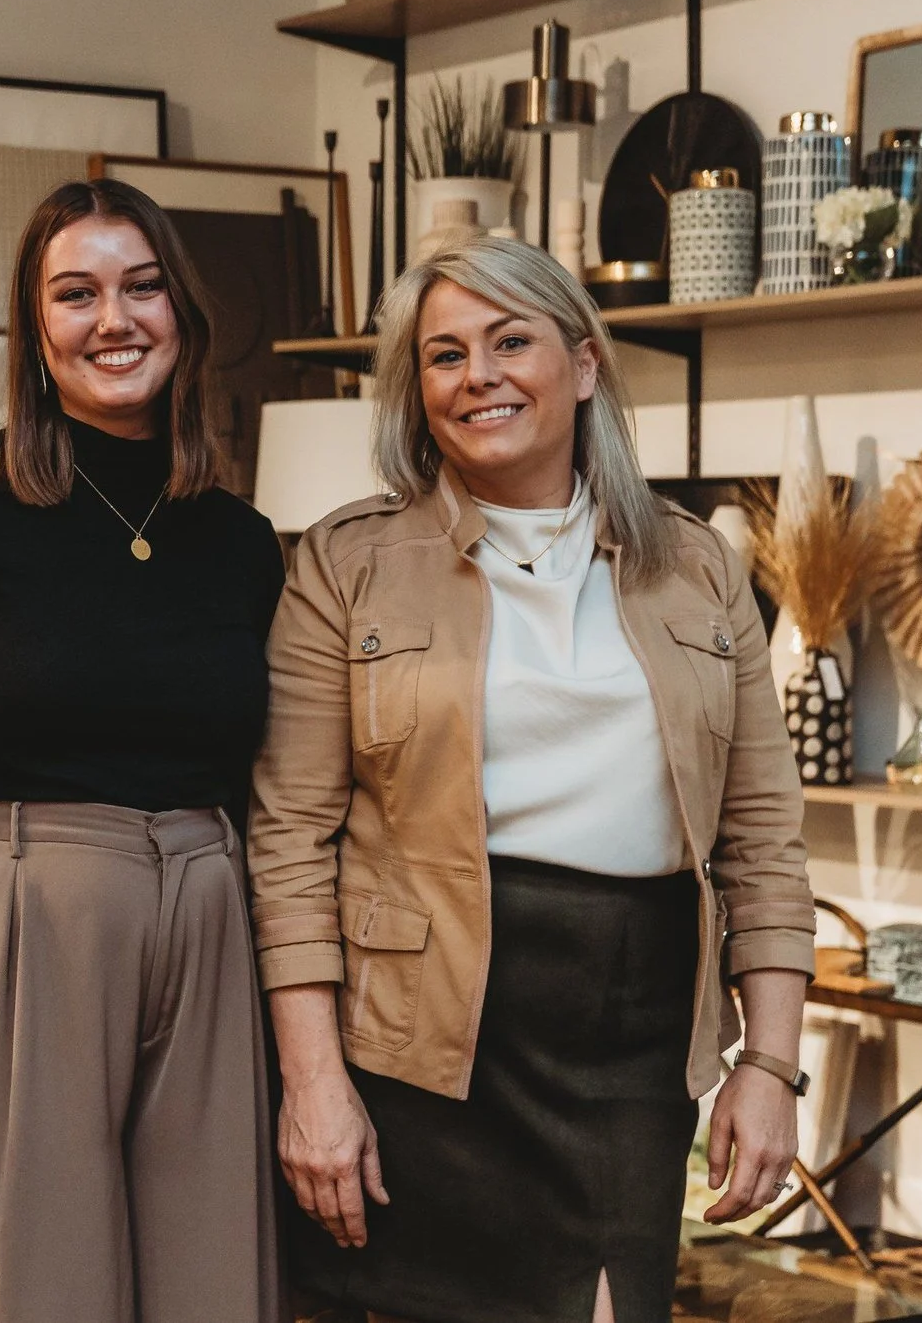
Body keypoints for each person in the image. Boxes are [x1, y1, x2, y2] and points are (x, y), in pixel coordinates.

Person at [249, 234, 814, 1323]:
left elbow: (760, 841)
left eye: (511, 340)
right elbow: (286, 841)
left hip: (630, 1034)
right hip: (420, 1040)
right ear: (417, 394)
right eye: (445, 355)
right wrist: (313, 1081)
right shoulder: (344, 562)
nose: (479, 376)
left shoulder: (698, 565)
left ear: (585, 362)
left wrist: (771, 1062)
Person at [0, 178, 288, 1323]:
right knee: (19, 1292)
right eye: (76, 293)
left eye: (141, 287)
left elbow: (260, 781)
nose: (114, 319)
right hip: (15, 934)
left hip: (205, 921)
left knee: (211, 1290)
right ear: (35, 329)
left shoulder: (237, 539)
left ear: (179, 313)